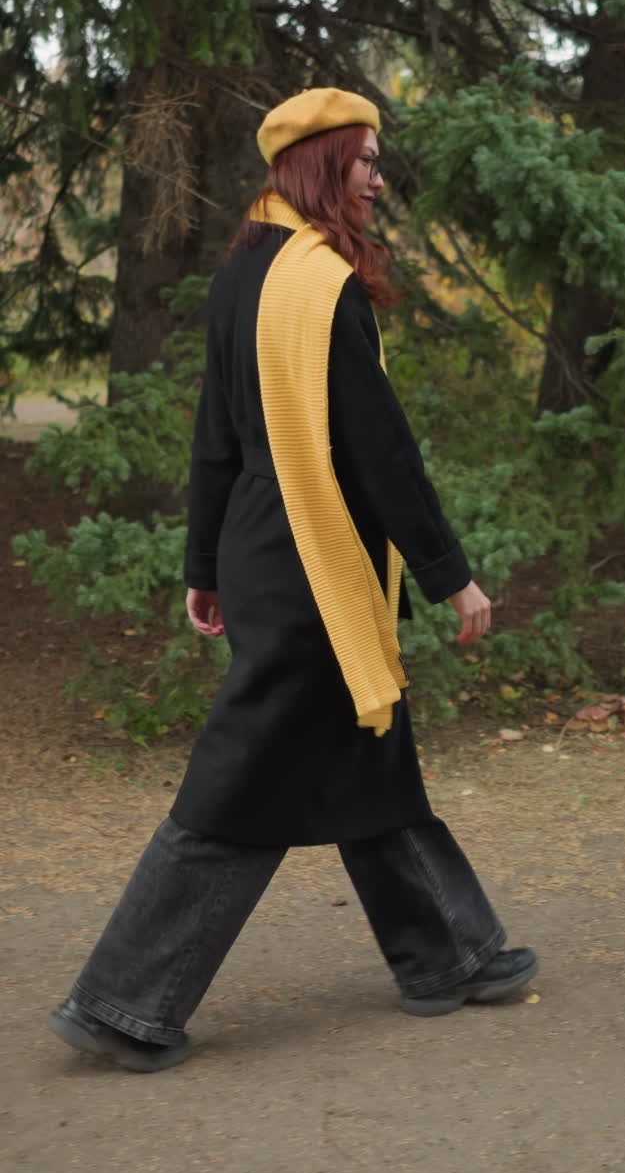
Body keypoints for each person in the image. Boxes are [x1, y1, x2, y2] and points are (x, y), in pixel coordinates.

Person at [48, 87, 537, 1073]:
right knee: (243, 782)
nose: (377, 179)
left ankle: (450, 952)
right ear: (321, 166)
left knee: (372, 749)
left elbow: (215, 439)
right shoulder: (320, 286)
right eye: (364, 162)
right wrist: (453, 576)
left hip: (266, 556)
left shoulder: (242, 275)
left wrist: (203, 564)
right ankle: (124, 1001)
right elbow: (380, 452)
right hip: (313, 573)